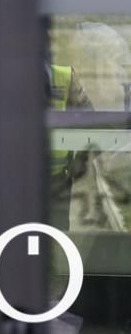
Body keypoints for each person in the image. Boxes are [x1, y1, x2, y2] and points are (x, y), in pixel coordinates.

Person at [47, 61, 94, 230]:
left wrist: (81, 158)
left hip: (58, 177)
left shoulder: (64, 76)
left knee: (57, 236)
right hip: (16, 177)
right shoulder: (5, 75)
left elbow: (90, 119)